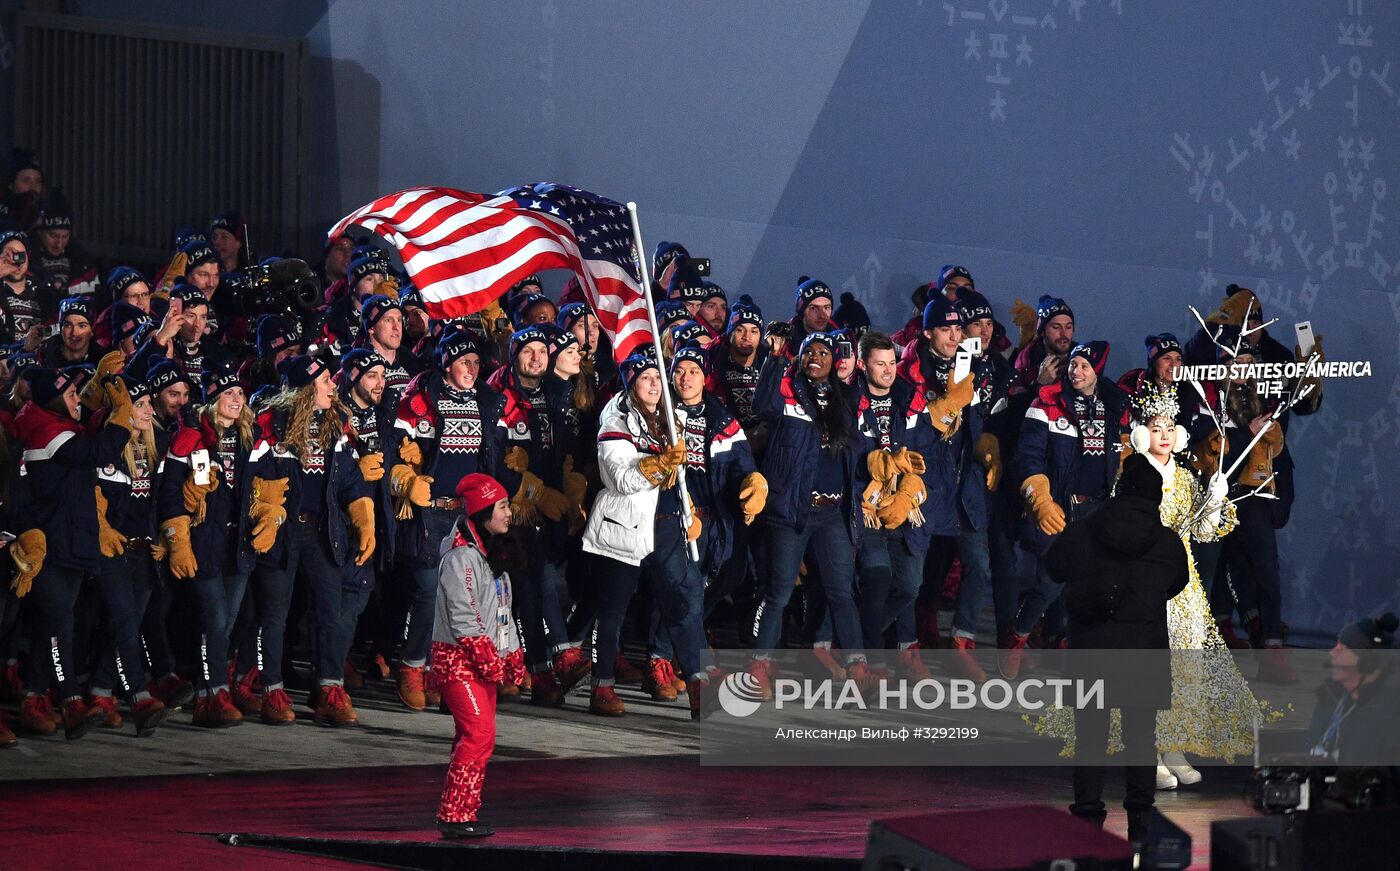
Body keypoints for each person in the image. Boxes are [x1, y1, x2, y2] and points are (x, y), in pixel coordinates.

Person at [1045, 453, 1188, 844]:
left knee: (1090, 739)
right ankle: (1140, 822)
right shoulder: (1167, 543)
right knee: (1141, 739)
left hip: (1092, 652)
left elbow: (1053, 567)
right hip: (1144, 655)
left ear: (1119, 490)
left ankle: (1087, 822)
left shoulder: (1084, 531)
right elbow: (1176, 584)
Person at [580, 353, 721, 717]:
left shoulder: (672, 419)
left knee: (684, 602)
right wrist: (659, 464)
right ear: (631, 383)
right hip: (625, 525)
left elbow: (681, 475)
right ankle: (601, 686)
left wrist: (688, 507)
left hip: (667, 523)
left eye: (658, 378)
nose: (655, 384)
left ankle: (698, 685)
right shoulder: (615, 420)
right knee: (613, 608)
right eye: (646, 378)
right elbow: (620, 479)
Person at [245, 354, 375, 725]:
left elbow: (349, 479)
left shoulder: (335, 423)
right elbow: (250, 476)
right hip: (281, 530)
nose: (333, 386)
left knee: (330, 612)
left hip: (322, 530)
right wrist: (263, 508)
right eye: (325, 381)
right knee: (274, 614)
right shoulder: (270, 423)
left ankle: (330, 690)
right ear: (304, 389)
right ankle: (271, 689)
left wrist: (364, 519)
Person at [13, 366, 133, 738]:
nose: (77, 400)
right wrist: (122, 415)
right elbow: (98, 451)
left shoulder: (63, 428)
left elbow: (87, 435)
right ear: (53, 401)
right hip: (50, 545)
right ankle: (70, 702)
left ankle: (34, 699)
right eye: (70, 395)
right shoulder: (47, 431)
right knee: (60, 624)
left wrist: (104, 397)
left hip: (73, 542)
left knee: (54, 625)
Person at [748, 331, 868, 695]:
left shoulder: (843, 399)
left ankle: (859, 666)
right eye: (808, 351)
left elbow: (857, 440)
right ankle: (759, 665)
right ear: (799, 358)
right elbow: (761, 405)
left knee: (841, 591)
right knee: (778, 593)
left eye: (824, 352)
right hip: (791, 511)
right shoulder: (786, 392)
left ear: (834, 361)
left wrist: (855, 369)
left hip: (832, 513)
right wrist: (774, 358)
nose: (815, 356)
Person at [1002, 340, 1128, 678]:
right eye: (1073, 364)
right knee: (1049, 583)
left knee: (1093, 587)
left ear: (1098, 370)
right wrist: (1040, 499)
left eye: (1084, 365)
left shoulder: (1114, 407)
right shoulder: (1045, 403)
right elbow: (1027, 457)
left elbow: (1121, 454)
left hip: (1097, 509)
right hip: (1060, 507)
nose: (1076, 371)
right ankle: (1017, 636)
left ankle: (1072, 649)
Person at [394, 330, 505, 709]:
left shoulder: (487, 402)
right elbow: (394, 452)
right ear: (446, 364)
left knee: (462, 599)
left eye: (476, 363)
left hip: (466, 515)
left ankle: (443, 673)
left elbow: (491, 459)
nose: (471, 369)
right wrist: (405, 476)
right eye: (463, 362)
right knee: (427, 594)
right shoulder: (419, 401)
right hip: (429, 510)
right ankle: (412, 665)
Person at [162, 367, 259, 727]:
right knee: (215, 618)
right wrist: (177, 538)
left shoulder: (250, 436)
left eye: (240, 393)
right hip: (203, 542)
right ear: (213, 399)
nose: (237, 399)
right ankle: (212, 696)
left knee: (228, 621)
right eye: (228, 393)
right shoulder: (192, 437)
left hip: (239, 543)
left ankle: (210, 687)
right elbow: (170, 492)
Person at [431, 473, 526, 838]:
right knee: (478, 734)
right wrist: (488, 658)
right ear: (484, 513)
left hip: (482, 663)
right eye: (502, 506)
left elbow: (503, 613)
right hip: (458, 660)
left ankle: (462, 812)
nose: (509, 513)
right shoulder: (461, 557)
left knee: (477, 737)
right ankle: (455, 815)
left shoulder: (491, 554)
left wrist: (513, 654)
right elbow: (463, 615)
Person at [87, 373, 170, 736]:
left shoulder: (159, 445)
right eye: (139, 404)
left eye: (149, 402)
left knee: (127, 624)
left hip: (144, 551)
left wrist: (168, 535)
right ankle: (139, 696)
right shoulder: (106, 448)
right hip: (113, 549)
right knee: (123, 619)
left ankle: (100, 691)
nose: (148, 410)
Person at [1306, 614, 1400, 771]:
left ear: (1368, 663)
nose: (1332, 653)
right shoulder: (1328, 697)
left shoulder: (1393, 711)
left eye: (1342, 649)